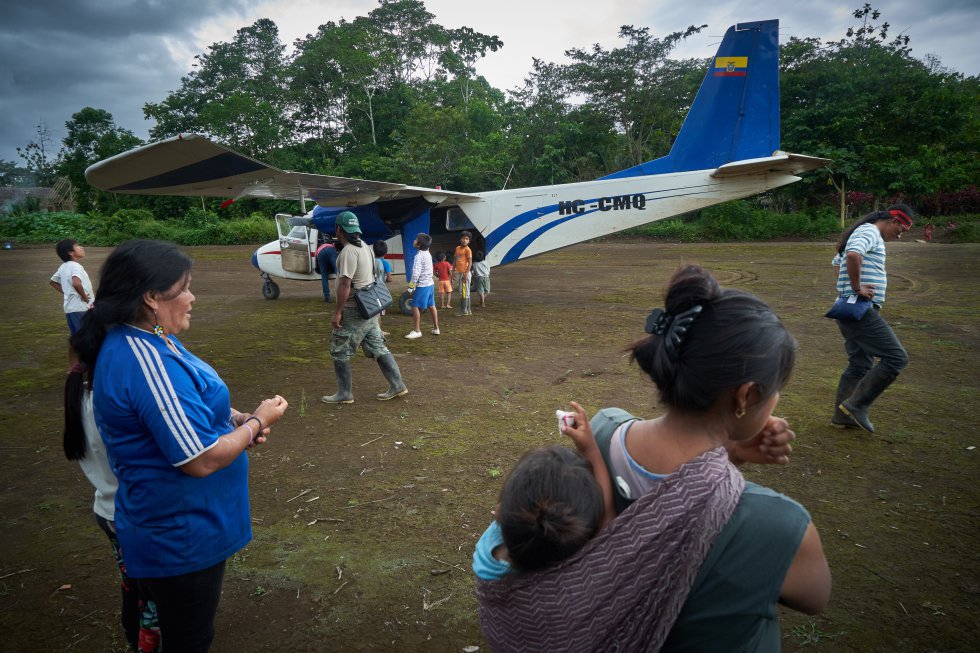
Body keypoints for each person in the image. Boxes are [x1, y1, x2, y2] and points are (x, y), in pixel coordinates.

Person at [476, 265, 830, 652]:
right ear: (745, 396)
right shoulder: (779, 525)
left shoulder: (604, 431)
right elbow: (815, 598)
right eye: (777, 390)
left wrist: (729, 454)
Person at [66, 239, 289, 652]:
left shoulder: (154, 339)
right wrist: (259, 419)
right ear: (151, 297)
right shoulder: (144, 359)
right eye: (184, 287)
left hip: (188, 527)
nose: (192, 297)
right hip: (181, 536)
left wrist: (234, 421)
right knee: (187, 639)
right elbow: (201, 460)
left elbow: (186, 404)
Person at [63, 368, 161, 652]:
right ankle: (145, 643)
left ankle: (133, 636)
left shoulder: (78, 392)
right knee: (152, 595)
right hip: (134, 515)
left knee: (133, 584)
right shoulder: (111, 402)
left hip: (107, 510)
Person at [473, 402, 615, 580]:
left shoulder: (486, 559)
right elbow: (607, 518)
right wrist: (590, 449)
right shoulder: (577, 577)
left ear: (499, 513)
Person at [831, 204, 913, 432]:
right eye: (901, 230)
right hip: (859, 308)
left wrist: (846, 289)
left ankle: (842, 415)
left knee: (860, 364)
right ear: (893, 221)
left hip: (849, 307)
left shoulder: (865, 233)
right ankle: (857, 404)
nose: (899, 235)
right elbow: (853, 255)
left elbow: (837, 264)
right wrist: (856, 288)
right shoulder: (869, 232)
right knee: (897, 358)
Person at [323, 211, 408, 403]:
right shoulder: (366, 248)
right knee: (378, 346)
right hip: (370, 307)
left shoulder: (348, 252)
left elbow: (345, 284)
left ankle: (344, 393)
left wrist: (337, 312)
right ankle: (397, 385)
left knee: (340, 350)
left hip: (355, 308)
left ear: (339, 229)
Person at [50, 239, 94, 366]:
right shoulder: (76, 266)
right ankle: (85, 368)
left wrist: (68, 293)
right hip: (81, 308)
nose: (82, 247)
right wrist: (84, 297)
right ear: (70, 252)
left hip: (71, 309)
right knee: (86, 340)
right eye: (78, 246)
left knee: (76, 338)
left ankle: (73, 368)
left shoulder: (63, 267)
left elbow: (52, 282)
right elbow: (76, 283)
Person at [405, 233, 440, 339]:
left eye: (416, 239)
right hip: (430, 284)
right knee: (431, 305)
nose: (414, 240)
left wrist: (411, 287)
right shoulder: (428, 253)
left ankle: (417, 330)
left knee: (415, 306)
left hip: (422, 285)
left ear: (419, 245)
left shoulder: (419, 256)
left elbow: (415, 274)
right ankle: (436, 328)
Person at [372, 240, 393, 336]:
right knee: (379, 311)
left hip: (370, 289)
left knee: (372, 310)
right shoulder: (385, 263)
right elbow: (389, 278)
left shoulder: (370, 261)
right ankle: (378, 330)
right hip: (380, 290)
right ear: (386, 252)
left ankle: (374, 329)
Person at [453, 231, 473, 316]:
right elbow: (455, 260)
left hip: (465, 273)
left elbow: (470, 263)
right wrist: (452, 270)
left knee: (464, 291)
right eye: (463, 238)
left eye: (467, 239)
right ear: (460, 239)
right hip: (460, 272)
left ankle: (464, 310)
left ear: (469, 241)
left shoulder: (468, 250)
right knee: (464, 291)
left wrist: (465, 273)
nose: (465, 240)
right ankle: (467, 310)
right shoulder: (457, 248)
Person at [316, 232, 339, 303]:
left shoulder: (318, 234)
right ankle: (342, 294)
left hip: (320, 251)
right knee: (338, 272)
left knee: (324, 275)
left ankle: (327, 297)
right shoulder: (329, 233)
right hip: (330, 249)